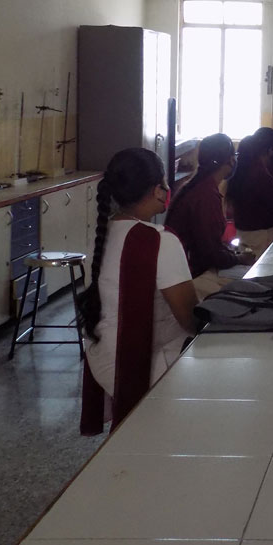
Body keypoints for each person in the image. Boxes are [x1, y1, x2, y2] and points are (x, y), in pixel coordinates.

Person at [79, 148, 198, 433]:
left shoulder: (102, 235)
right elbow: (191, 320)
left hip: (104, 359)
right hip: (142, 364)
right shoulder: (161, 242)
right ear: (159, 190)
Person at [161, 133, 240, 278]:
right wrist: (237, 258)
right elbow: (209, 254)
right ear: (229, 160)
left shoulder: (199, 186)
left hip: (185, 266)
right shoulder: (205, 195)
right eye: (234, 154)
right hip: (189, 273)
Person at [226, 127, 273, 254]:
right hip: (261, 236)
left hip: (244, 233)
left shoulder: (242, 167)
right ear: (270, 150)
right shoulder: (260, 174)